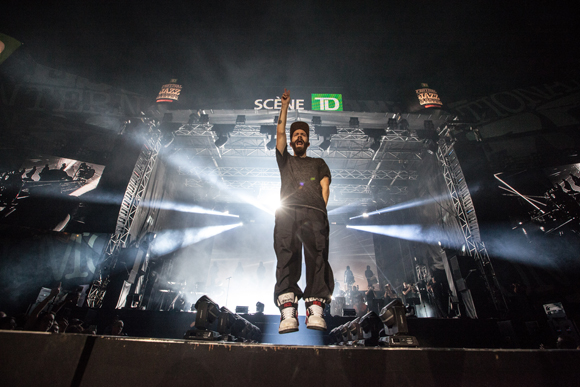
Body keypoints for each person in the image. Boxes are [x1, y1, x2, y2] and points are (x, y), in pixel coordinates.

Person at [273, 88, 334, 334]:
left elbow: (325, 187)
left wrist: (320, 210)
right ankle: (288, 309)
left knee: (318, 255)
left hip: (314, 212)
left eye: (302, 135)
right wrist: (284, 106)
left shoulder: (318, 163)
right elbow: (278, 132)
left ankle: (315, 308)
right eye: (295, 134)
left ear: (308, 141)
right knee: (286, 254)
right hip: (287, 211)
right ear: (291, 141)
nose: (299, 137)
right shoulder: (285, 159)